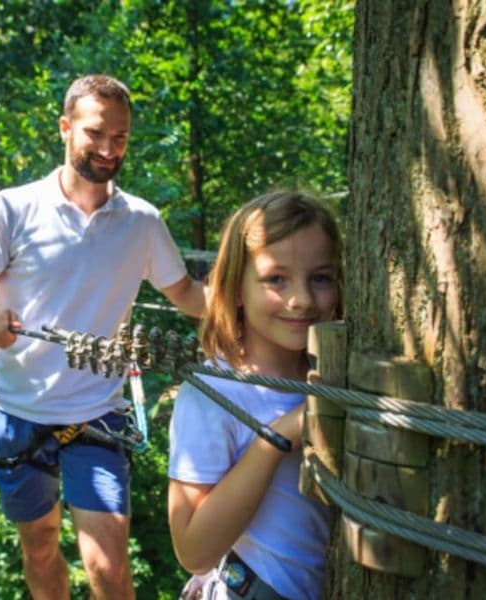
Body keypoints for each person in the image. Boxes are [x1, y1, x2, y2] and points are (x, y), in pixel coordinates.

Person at [0, 74, 205, 599]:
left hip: (96, 414)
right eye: (95, 134)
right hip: (17, 413)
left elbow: (193, 299)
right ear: (65, 128)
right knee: (39, 545)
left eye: (121, 137)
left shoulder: (142, 223)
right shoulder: (13, 209)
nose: (109, 149)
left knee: (108, 567)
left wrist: (267, 300)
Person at [167, 191, 344, 600]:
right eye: (275, 280)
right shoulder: (213, 394)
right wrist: (278, 436)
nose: (301, 299)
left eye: (320, 278)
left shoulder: (340, 377)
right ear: (236, 287)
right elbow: (194, 551)